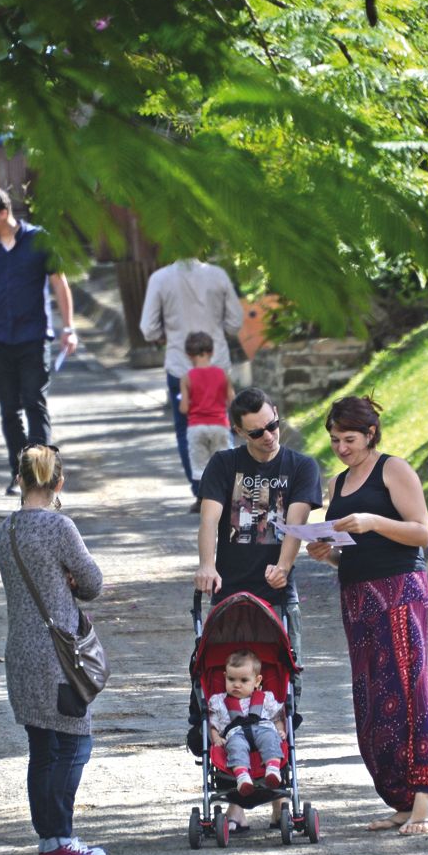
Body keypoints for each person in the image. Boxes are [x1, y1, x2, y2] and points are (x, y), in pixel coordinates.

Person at [305, 397, 428, 836]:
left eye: (349, 439)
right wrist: (326, 554)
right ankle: (400, 798)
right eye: (334, 440)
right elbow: (350, 554)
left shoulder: (393, 469)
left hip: (399, 590)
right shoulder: (339, 482)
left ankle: (425, 796)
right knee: (371, 701)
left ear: (370, 435)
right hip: (356, 595)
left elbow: (422, 532)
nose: (341, 448)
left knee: (407, 690)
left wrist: (373, 521)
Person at [0, 445, 108, 855]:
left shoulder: (6, 530)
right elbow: (93, 583)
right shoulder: (60, 527)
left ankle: (48, 838)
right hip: (57, 655)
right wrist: (72, 583)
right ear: (59, 483)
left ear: (20, 480)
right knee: (77, 743)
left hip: (20, 651)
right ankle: (60, 837)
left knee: (42, 747)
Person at [0, 188, 80, 495]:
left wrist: (69, 327)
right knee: (8, 408)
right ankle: (19, 473)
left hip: (33, 337)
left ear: (2, 214)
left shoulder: (40, 240)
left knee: (34, 401)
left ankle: (42, 473)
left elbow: (59, 284)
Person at [194, 387, 321, 653]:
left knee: (284, 677)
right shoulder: (223, 464)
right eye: (256, 433)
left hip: (278, 593)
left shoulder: (301, 467)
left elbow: (295, 525)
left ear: (276, 413)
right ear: (239, 432)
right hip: (228, 591)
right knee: (221, 674)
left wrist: (283, 568)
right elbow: (209, 519)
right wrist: (207, 564)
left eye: (272, 425)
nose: (268, 436)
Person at [138, 253, 246, 488]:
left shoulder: (160, 278)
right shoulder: (218, 275)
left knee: (185, 430)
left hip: (181, 366)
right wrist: (219, 330)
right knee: (222, 426)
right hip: (217, 364)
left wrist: (165, 337)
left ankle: (200, 488)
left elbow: (148, 328)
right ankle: (223, 488)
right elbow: (236, 321)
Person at [215, 650, 286, 793]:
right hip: (236, 734)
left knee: (271, 738)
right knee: (235, 747)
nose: (236, 685)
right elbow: (212, 724)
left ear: (257, 681)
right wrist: (216, 738)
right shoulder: (219, 701)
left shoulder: (265, 698)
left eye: (243, 680)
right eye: (231, 679)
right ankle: (242, 777)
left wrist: (280, 730)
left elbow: (276, 717)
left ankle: (272, 769)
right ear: (225, 677)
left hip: (263, 728)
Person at [177, 331, 232, 488]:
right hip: (219, 424)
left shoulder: (187, 377)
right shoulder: (223, 374)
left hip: (197, 426)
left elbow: (184, 407)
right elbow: (231, 401)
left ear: (188, 355)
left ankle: (205, 498)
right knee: (222, 464)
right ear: (212, 352)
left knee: (201, 466)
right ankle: (224, 497)